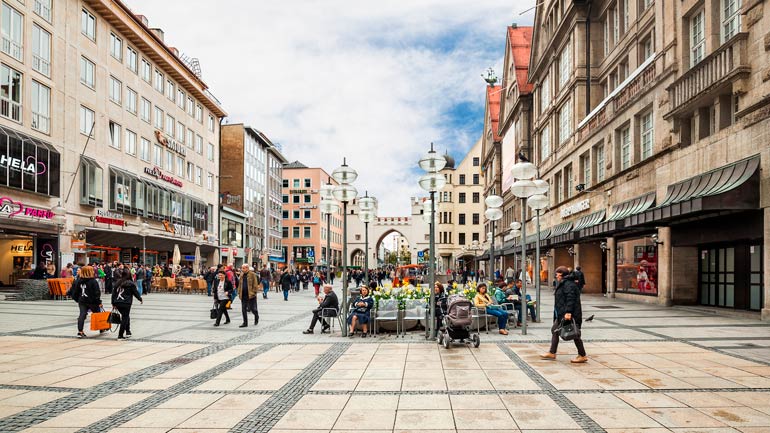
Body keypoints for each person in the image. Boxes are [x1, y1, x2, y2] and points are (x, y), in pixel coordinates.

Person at [541, 266, 587, 363]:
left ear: (562, 274)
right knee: (555, 330)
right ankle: (552, 352)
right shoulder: (564, 283)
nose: (556, 276)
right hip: (562, 313)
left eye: (557, 274)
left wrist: (568, 313)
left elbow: (570, 299)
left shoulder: (568, 284)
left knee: (575, 333)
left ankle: (582, 355)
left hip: (568, 314)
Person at [71, 265, 103, 338]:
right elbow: (97, 293)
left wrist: (78, 299)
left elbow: (75, 291)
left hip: (82, 301)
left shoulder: (78, 281)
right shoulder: (93, 281)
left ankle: (80, 331)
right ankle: (101, 328)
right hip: (92, 301)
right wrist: (99, 302)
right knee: (98, 314)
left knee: (82, 315)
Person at [111, 268, 143, 339]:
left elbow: (113, 294)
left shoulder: (118, 282)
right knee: (125, 318)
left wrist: (113, 303)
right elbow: (135, 293)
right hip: (126, 303)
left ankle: (128, 331)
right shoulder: (130, 283)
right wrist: (140, 299)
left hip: (117, 302)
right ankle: (120, 335)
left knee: (126, 316)